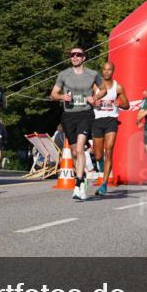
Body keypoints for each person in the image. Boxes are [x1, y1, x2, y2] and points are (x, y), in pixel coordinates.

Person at [50, 46, 102, 201]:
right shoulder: (63, 74)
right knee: (73, 152)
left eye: (78, 55)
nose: (75, 57)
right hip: (68, 116)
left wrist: (96, 97)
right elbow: (52, 94)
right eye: (72, 55)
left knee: (80, 148)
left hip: (85, 114)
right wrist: (61, 97)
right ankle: (83, 177)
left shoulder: (92, 74)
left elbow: (104, 88)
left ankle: (78, 184)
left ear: (84, 58)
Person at [91, 61, 129, 196]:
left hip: (111, 120)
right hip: (97, 120)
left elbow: (127, 105)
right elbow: (88, 99)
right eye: (105, 69)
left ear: (113, 71)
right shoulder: (95, 85)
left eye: (109, 70)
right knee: (98, 155)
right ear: (102, 71)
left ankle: (104, 184)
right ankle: (100, 162)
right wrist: (92, 101)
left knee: (109, 150)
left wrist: (120, 103)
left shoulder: (118, 87)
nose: (106, 72)